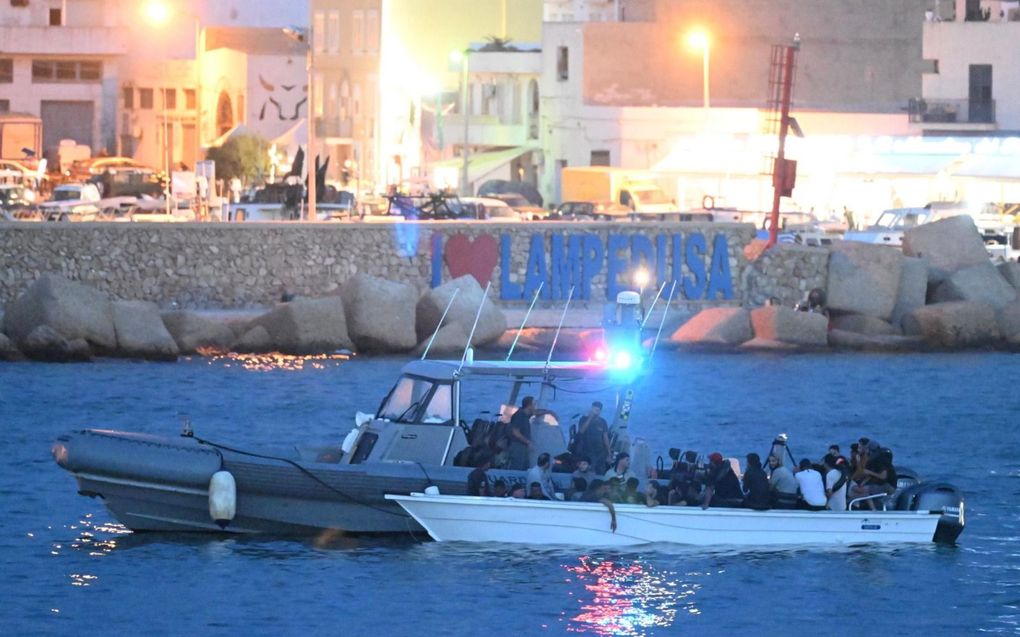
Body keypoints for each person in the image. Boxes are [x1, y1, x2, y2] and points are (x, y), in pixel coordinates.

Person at [574, 401, 611, 474]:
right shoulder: (584, 419)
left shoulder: (603, 422)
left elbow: (605, 438)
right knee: (588, 470)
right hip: (586, 450)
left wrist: (609, 453)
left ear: (600, 411)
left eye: (597, 410)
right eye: (594, 409)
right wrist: (590, 418)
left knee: (600, 471)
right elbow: (581, 431)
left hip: (600, 451)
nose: (595, 411)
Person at [507, 396, 537, 470]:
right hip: (517, 447)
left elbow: (536, 412)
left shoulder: (526, 415)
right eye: (534, 404)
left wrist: (549, 412)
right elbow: (515, 432)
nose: (536, 406)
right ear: (529, 406)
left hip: (523, 447)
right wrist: (528, 442)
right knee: (517, 467)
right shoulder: (519, 415)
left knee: (524, 466)